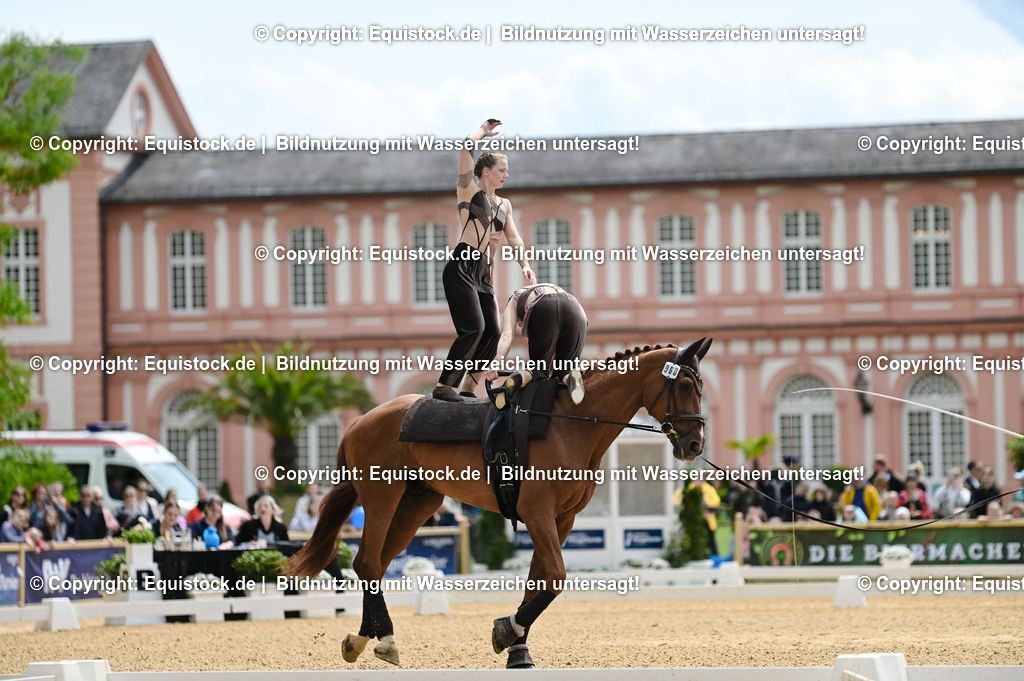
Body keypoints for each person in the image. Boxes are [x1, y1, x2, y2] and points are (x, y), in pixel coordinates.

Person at [433, 119, 536, 402]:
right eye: (502, 170)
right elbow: (466, 148)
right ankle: (444, 386)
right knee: (473, 328)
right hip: (462, 265)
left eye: (507, 171)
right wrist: (482, 132)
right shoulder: (468, 190)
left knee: (493, 330)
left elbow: (514, 238)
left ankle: (468, 388)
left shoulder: (505, 205)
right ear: (487, 172)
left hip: (483, 272)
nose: (506, 175)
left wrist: (525, 265)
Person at [482, 283, 589, 407]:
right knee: (566, 368)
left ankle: (518, 377)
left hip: (543, 305)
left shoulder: (513, 301)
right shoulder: (543, 287)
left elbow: (507, 335)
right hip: (575, 307)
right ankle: (570, 376)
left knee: (537, 368)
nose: (521, 326)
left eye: (519, 323)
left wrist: (495, 363)